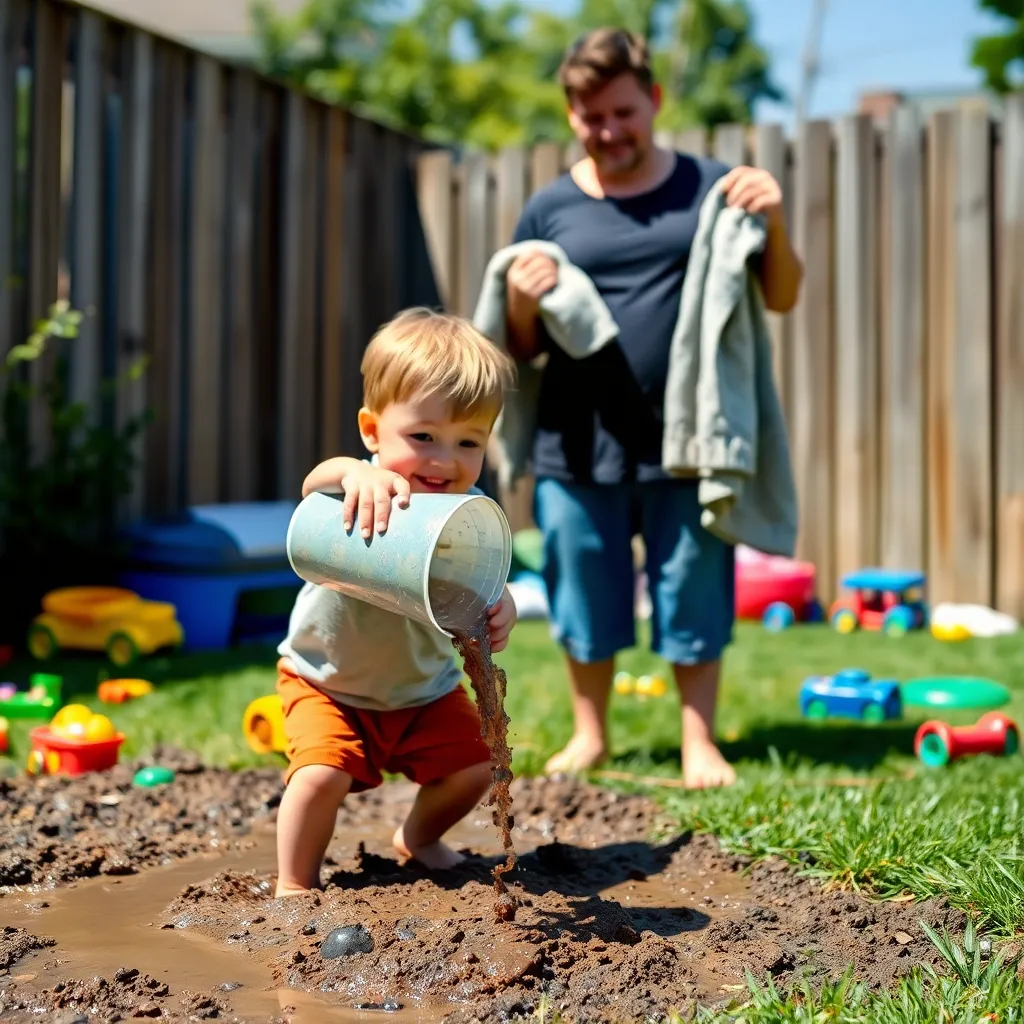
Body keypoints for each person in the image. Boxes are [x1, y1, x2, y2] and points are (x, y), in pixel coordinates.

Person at [504, 28, 804, 789]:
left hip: (687, 438)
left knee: (694, 588)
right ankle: (590, 735)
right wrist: (517, 294)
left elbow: (782, 295)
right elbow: (520, 347)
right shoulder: (550, 208)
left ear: (655, 102)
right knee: (582, 586)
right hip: (576, 445)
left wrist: (775, 222)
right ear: (571, 115)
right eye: (590, 116)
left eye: (622, 112)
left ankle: (699, 744)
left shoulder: (713, 189)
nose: (608, 130)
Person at [274, 308, 519, 897]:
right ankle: (294, 884)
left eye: (469, 442)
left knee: (476, 770)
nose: (443, 460)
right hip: (328, 682)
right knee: (318, 777)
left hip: (423, 691)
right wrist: (351, 478)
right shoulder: (359, 486)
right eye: (423, 437)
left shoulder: (469, 510)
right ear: (372, 430)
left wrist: (500, 601)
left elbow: (479, 573)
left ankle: (418, 838)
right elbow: (316, 484)